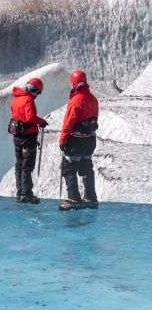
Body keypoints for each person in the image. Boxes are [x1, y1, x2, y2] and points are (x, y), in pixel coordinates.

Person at [59, 70, 99, 210]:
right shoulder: (93, 99)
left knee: (68, 168)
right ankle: (90, 198)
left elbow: (69, 122)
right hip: (89, 140)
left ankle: (73, 199)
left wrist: (63, 140)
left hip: (76, 141)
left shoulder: (76, 100)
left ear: (74, 83)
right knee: (87, 168)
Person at [9, 77, 48, 204]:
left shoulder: (16, 99)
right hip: (28, 136)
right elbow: (30, 117)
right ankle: (26, 194)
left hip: (17, 136)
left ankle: (20, 192)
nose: (38, 95)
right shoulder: (28, 100)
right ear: (34, 90)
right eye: (38, 92)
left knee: (19, 164)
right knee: (27, 166)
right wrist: (41, 121)